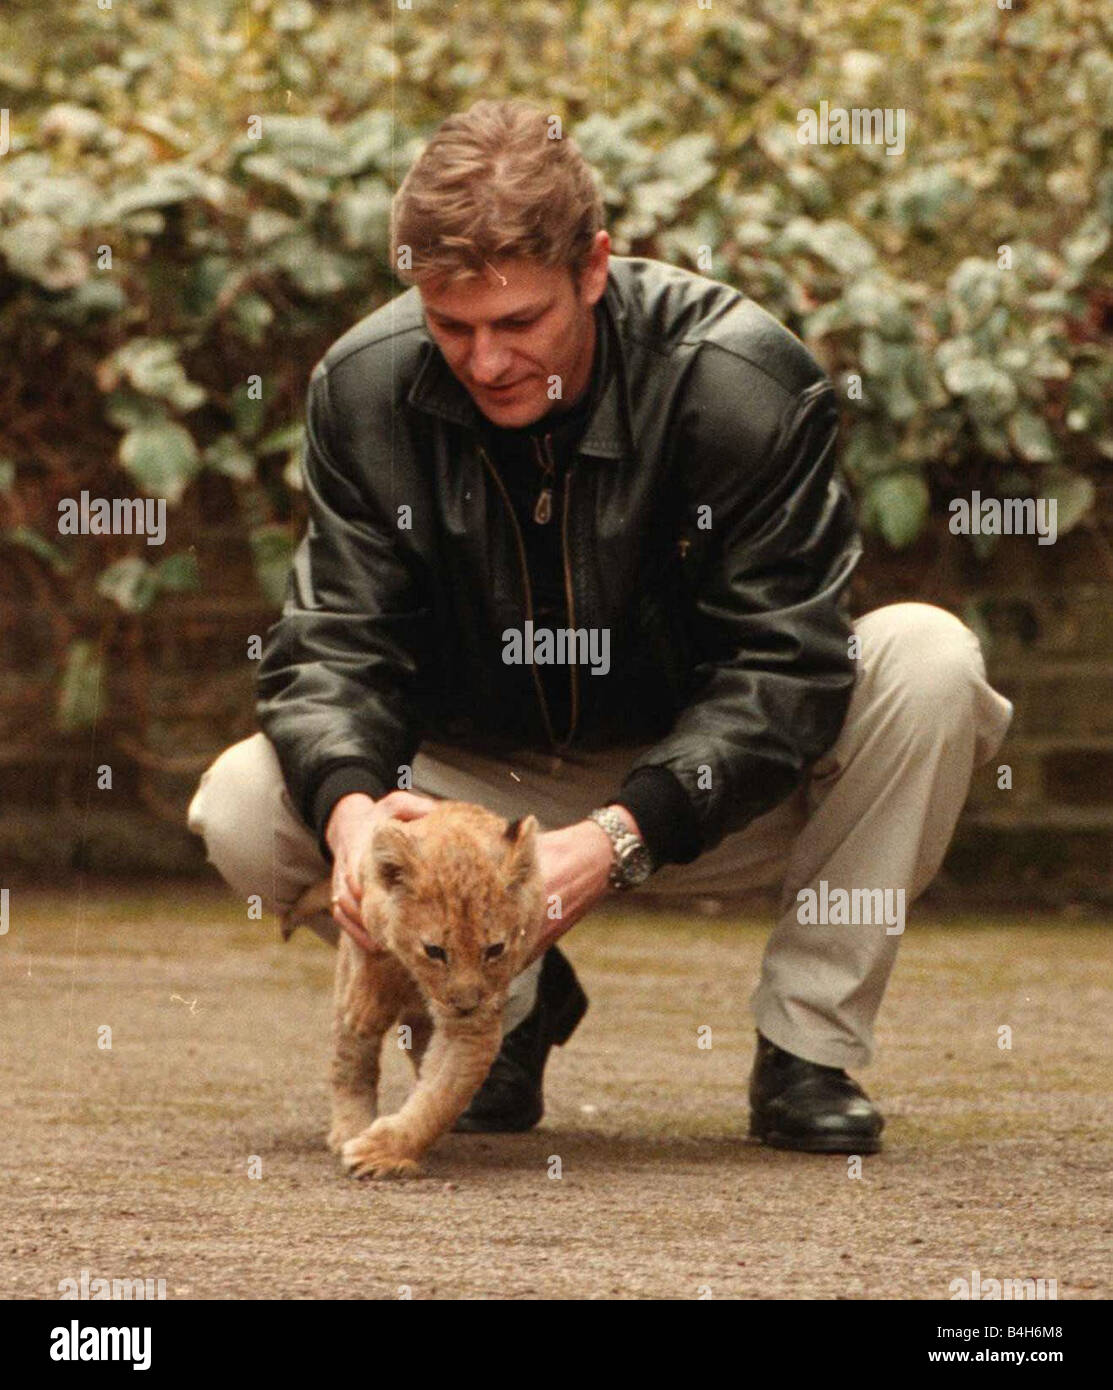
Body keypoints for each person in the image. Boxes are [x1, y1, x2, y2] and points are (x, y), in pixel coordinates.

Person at [187, 98, 1013, 1154]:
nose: (484, 362)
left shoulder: (746, 382)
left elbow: (790, 665)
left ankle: (808, 1048)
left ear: (594, 268)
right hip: (477, 802)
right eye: (451, 326)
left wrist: (622, 836)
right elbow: (334, 648)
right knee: (248, 805)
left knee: (931, 658)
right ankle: (508, 998)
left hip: (710, 788)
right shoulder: (363, 389)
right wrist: (355, 823)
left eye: (518, 323)